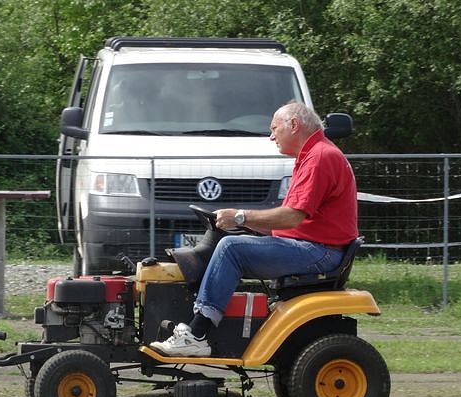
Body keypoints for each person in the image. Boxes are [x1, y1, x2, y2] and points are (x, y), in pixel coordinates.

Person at [150, 102, 358, 357]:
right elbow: (294, 220)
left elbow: (292, 217)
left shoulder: (320, 157)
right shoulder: (316, 154)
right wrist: (244, 224)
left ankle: (197, 333)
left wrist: (240, 217)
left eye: (274, 129)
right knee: (230, 242)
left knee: (231, 248)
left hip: (319, 252)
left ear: (294, 125)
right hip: (316, 247)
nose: (271, 137)